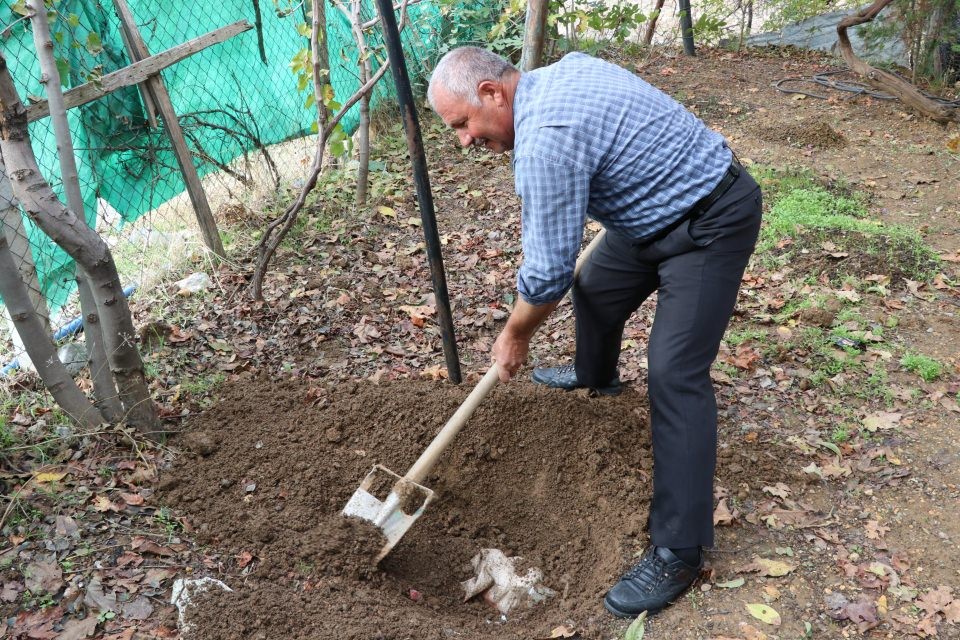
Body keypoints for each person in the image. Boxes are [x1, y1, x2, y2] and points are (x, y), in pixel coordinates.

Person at [427, 47, 762, 617]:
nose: (464, 141)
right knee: (597, 286)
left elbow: (547, 273)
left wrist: (514, 335)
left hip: (711, 216)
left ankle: (679, 551)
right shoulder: (563, 71)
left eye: (462, 124)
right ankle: (595, 374)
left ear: (491, 93)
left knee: (674, 373)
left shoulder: (545, 140)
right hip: (644, 216)